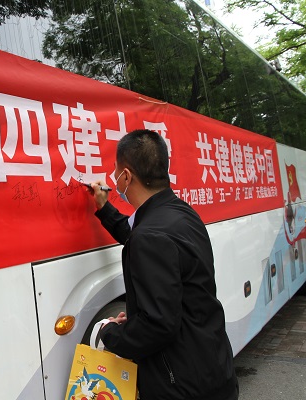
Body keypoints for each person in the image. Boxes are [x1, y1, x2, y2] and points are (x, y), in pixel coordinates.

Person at [86, 129, 238, 400]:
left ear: (126, 176)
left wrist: (110, 333)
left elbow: (157, 326)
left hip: (182, 387)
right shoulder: (180, 212)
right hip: (212, 368)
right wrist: (104, 208)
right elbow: (140, 236)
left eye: (115, 170)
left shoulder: (149, 236)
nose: (113, 177)